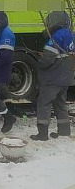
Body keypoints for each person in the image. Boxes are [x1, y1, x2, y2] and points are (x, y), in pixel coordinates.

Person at [30, 11, 75, 141]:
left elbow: (48, 59)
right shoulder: (71, 34)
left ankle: (42, 134)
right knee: (60, 104)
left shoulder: (56, 36)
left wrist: (40, 61)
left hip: (53, 78)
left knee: (44, 103)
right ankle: (64, 131)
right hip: (66, 77)